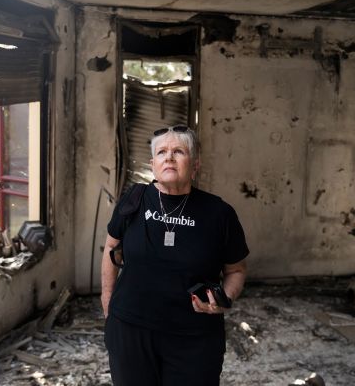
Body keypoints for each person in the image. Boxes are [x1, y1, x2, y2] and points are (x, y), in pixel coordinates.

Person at [101, 125, 249, 386]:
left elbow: (236, 270)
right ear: (153, 164)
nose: (168, 157)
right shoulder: (133, 200)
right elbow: (111, 248)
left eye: (178, 151)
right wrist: (109, 303)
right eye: (161, 152)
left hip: (194, 338)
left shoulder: (219, 213)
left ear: (195, 165)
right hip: (130, 331)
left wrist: (224, 299)